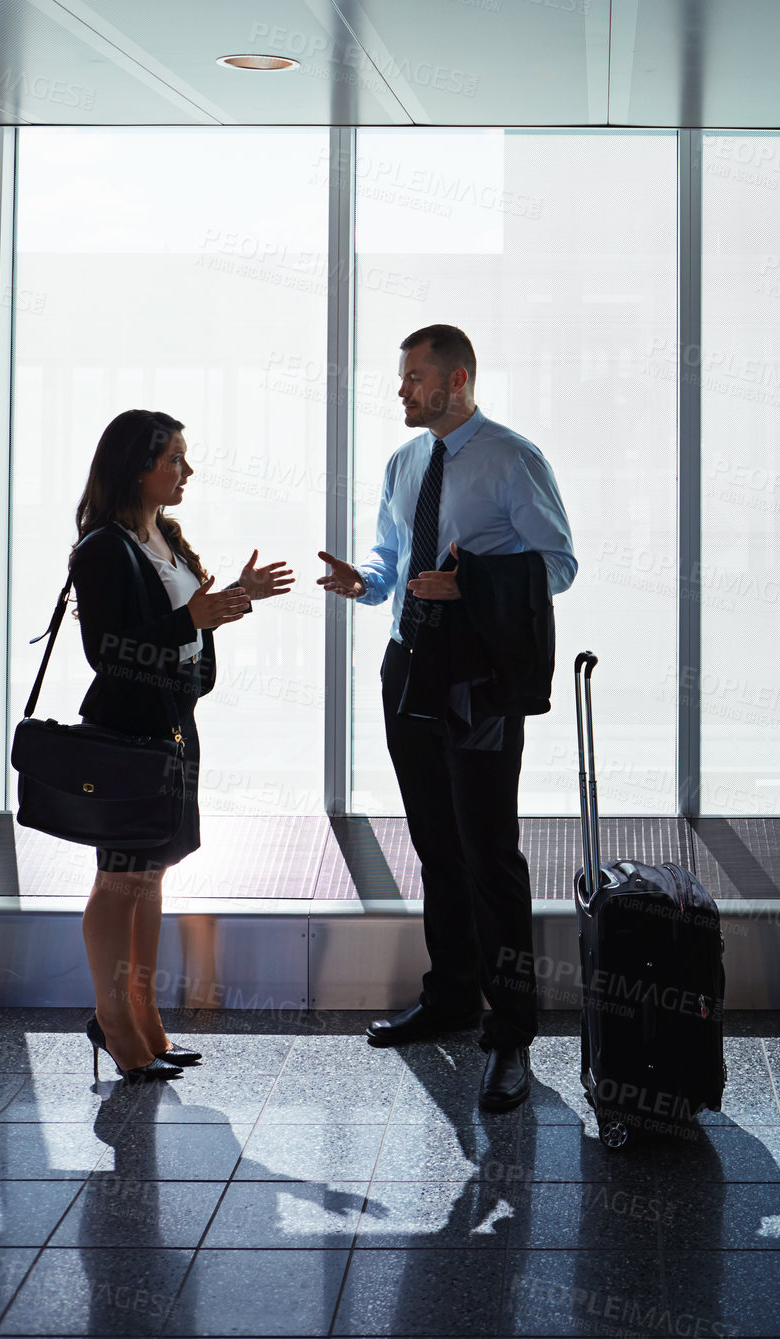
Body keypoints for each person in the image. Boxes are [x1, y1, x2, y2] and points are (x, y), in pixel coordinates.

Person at [318, 326, 576, 1111]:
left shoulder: (510, 457)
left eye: (414, 378)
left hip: (477, 679)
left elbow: (558, 564)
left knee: (489, 854)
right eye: (401, 379)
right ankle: (454, 997)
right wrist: (363, 580)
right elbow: (393, 558)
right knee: (435, 845)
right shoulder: (405, 462)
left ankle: (512, 1034)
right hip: (411, 669)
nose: (401, 390)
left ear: (456, 379)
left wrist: (473, 587)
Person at [70, 409, 294, 1082]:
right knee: (118, 880)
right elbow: (107, 649)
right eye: (175, 458)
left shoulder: (162, 534)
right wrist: (192, 615)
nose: (186, 471)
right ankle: (115, 1025)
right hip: (126, 732)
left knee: (150, 874)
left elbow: (178, 627)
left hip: (171, 727)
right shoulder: (103, 548)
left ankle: (145, 1020)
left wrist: (227, 602)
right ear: (138, 466)